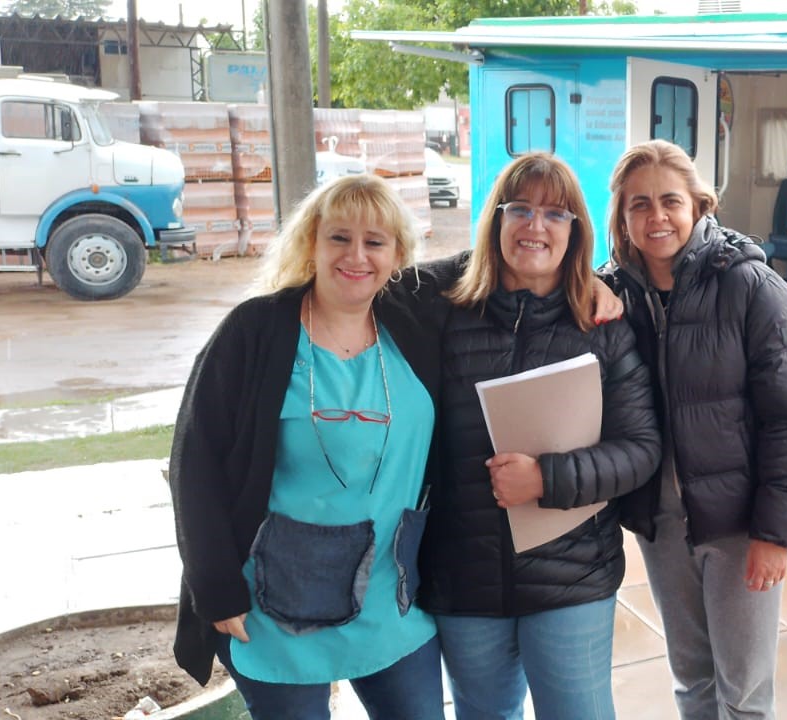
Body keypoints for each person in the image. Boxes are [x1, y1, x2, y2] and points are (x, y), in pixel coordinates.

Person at [168, 174, 444, 719]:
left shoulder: (415, 323)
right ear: (311, 243)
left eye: (375, 241)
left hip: (392, 600)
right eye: (339, 237)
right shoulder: (254, 331)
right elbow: (194, 464)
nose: (356, 256)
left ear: (398, 256)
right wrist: (215, 587)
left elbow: (499, 268)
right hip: (275, 607)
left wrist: (599, 281)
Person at [417, 151, 662, 720]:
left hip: (572, 577)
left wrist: (546, 479)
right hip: (464, 578)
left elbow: (641, 449)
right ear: (496, 219)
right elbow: (370, 276)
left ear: (575, 231)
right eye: (520, 209)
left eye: (555, 214)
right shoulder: (444, 309)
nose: (535, 225)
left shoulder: (601, 325)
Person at [606, 140, 787, 719]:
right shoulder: (614, 295)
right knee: (692, 677)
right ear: (622, 217)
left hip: (738, 523)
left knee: (744, 690)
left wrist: (775, 534)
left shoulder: (752, 288)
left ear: (699, 206)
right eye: (639, 204)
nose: (656, 217)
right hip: (661, 523)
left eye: (670, 201)